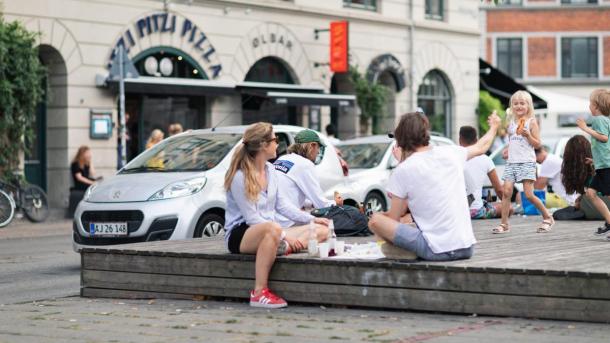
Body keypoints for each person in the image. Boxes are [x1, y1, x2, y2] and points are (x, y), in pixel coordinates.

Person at [367, 111, 501, 261]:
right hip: (466, 247)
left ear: (401, 139)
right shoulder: (451, 153)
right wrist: (494, 127)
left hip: (435, 250)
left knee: (375, 220)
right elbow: (481, 147)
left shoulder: (403, 170)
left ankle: (404, 252)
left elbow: (394, 219)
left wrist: (402, 162)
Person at [224, 122, 329, 308]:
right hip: (241, 234)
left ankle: (281, 247)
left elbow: (282, 205)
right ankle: (259, 292)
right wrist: (284, 234)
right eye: (275, 140)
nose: (278, 144)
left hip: (272, 230)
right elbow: (252, 219)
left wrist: (312, 219)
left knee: (322, 230)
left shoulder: (270, 170)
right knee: (272, 228)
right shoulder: (240, 176)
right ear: (263, 145)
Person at [495, 91, 554, 234]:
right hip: (512, 163)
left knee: (528, 195)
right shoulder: (511, 124)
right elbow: (512, 141)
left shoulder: (531, 122)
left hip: (526, 162)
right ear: (512, 106)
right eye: (515, 103)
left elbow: (537, 144)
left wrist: (528, 135)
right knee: (506, 192)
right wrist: (507, 150)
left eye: (522, 103)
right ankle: (504, 224)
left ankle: (548, 217)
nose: (519, 106)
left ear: (528, 105)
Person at [273, 129, 342, 227]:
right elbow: (321, 204)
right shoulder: (305, 164)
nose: (318, 152)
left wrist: (309, 204)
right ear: (312, 146)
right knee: (326, 230)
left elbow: (288, 193)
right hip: (287, 221)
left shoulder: (282, 159)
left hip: (273, 219)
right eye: (318, 147)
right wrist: (336, 202)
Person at [576, 88, 610, 236]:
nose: (589, 106)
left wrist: (585, 129)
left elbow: (604, 138)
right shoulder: (604, 120)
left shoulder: (598, 120)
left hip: (607, 166)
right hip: (602, 165)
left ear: (596, 105)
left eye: (590, 103)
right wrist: (594, 160)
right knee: (590, 193)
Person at [459, 126, 506, 219]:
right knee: (506, 208)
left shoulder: (455, 157)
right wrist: (507, 205)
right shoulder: (486, 159)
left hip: (457, 212)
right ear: (477, 139)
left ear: (460, 139)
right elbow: (499, 190)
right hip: (476, 211)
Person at [69, 146, 100, 217]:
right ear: (82, 154)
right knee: (95, 186)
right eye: (88, 153)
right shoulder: (75, 164)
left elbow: (93, 173)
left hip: (87, 182)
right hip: (80, 184)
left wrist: (90, 162)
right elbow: (79, 178)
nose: (89, 154)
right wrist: (92, 183)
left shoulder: (86, 164)